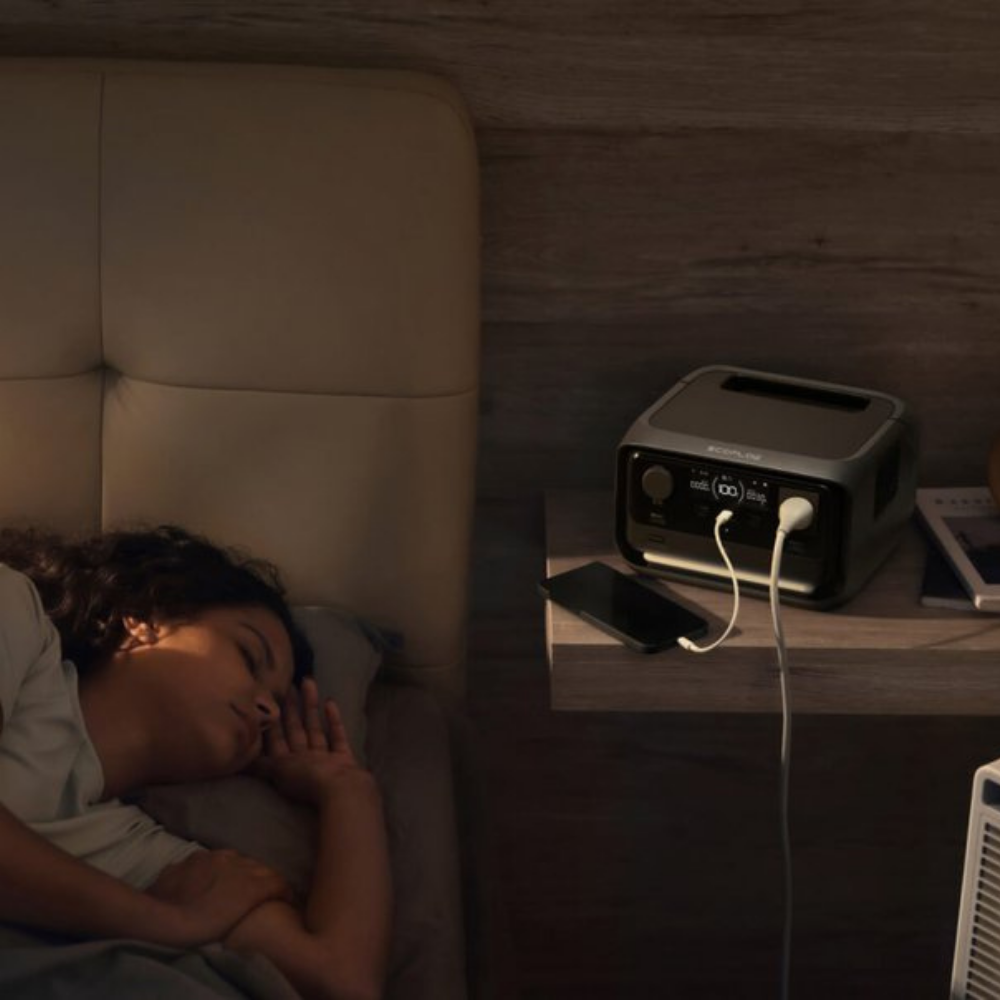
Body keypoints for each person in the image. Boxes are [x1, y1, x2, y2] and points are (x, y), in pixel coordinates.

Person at [0, 525, 392, 1000]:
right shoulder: (13, 609)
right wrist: (166, 923)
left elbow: (340, 979)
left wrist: (349, 791)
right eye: (249, 657)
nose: (268, 711)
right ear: (146, 616)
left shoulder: (133, 849)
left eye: (275, 704)